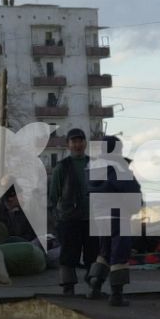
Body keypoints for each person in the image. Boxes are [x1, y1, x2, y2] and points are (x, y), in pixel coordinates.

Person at [87, 134, 142, 305]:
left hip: (99, 215)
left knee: (105, 250)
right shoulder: (117, 166)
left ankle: (95, 286)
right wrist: (136, 205)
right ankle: (116, 295)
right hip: (118, 214)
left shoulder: (92, 167)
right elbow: (129, 189)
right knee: (120, 252)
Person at [48, 127, 92, 296]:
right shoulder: (62, 167)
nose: (77, 144)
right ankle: (68, 288)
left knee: (93, 254)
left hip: (91, 218)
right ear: (68, 145)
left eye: (80, 140)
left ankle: (94, 286)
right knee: (68, 254)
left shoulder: (94, 164)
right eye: (74, 141)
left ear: (85, 143)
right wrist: (58, 219)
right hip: (69, 219)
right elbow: (53, 195)